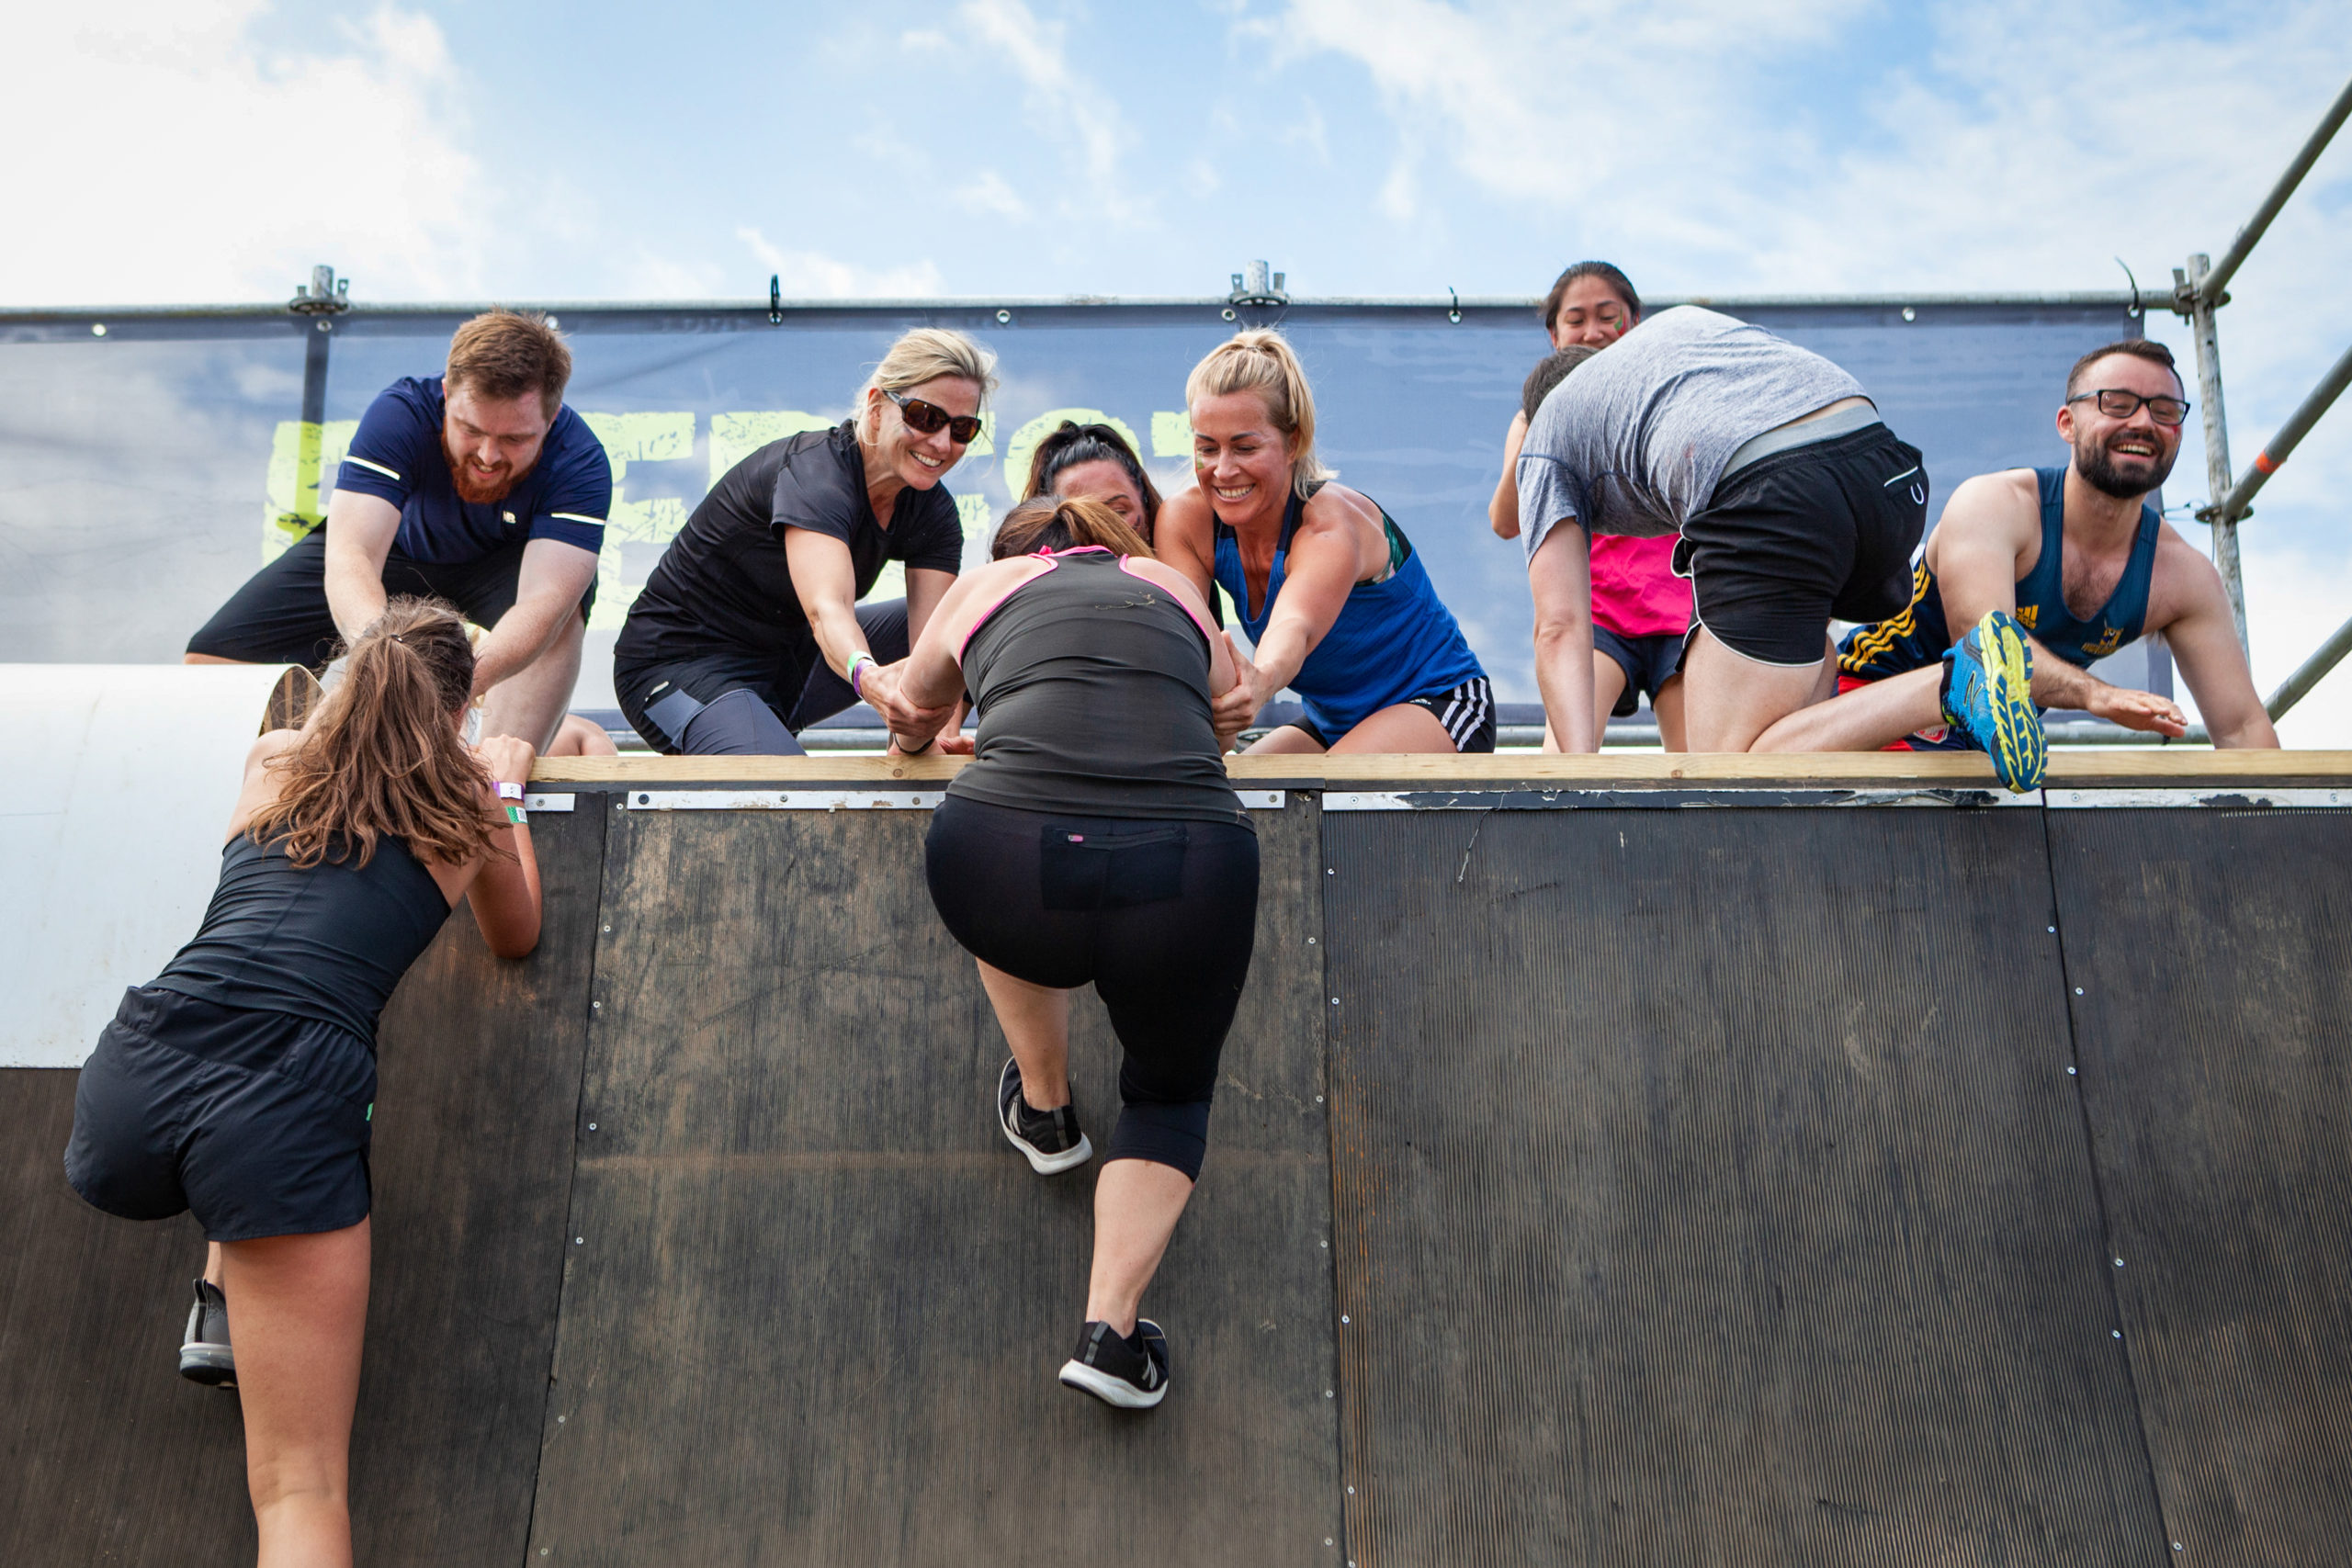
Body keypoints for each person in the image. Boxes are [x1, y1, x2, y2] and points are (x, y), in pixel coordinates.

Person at [66, 598, 543, 1565]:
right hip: (279, 1100)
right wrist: (507, 783)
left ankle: (220, 1295)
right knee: (299, 1486)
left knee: (242, 1089)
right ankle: (231, 1282)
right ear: (458, 710)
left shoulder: (272, 764)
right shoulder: (469, 803)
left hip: (135, 1073)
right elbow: (516, 933)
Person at [890, 496, 1257, 1409]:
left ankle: (1047, 1108)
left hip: (1003, 859)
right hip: (1185, 861)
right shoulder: (1170, 586)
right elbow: (1223, 714)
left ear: (1018, 559)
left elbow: (910, 714)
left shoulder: (983, 587)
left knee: (1021, 842)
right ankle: (1111, 1333)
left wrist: (960, 723)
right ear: (1117, 550)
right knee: (1169, 1091)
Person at [1754, 339, 2279, 779]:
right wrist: (2095, 696)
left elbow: (2241, 730)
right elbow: (1988, 656)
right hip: (1867, 711)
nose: (2143, 421)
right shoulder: (1996, 505)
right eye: (2118, 403)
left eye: (2164, 411)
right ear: (2067, 422)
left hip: (1978, 758)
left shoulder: (2183, 576)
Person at [187, 311, 608, 752]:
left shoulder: (581, 461)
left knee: (562, 610)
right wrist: (389, 667)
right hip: (394, 555)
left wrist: (450, 688)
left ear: (552, 416)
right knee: (212, 663)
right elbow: (353, 556)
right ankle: (320, 765)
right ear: (447, 396)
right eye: (471, 430)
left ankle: (494, 770)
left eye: (515, 440)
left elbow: (544, 602)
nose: (488, 455)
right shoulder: (400, 412)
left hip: (502, 566)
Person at [1517, 306, 1929, 752]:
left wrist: (1576, 776)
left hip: (1778, 492)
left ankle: (1949, 686)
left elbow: (1559, 627)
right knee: (1787, 721)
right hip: (1886, 474)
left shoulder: (1547, 435)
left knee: (1722, 769)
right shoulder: (1677, 336)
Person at [611, 328, 993, 754]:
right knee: (786, 789)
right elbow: (826, 610)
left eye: (962, 428)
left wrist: (925, 743)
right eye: (924, 416)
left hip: (787, 665)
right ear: (876, 407)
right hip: (679, 665)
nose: (941, 443)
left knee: (963, 623)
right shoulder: (817, 474)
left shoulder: (934, 511)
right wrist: (870, 679)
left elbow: (932, 655)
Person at [1158, 331, 1495, 753]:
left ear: (1293, 441)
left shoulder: (1330, 525)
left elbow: (1293, 627)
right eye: (1207, 448)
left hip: (1439, 701)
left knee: (1328, 799)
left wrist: (1258, 683)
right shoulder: (1186, 520)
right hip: (1333, 720)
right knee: (1237, 800)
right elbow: (1186, 642)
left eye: (1244, 448)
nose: (1223, 471)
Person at [1490, 264, 1690, 749]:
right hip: (1598, 616)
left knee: (1703, 766)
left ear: (1635, 323)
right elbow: (1505, 521)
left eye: (1609, 316)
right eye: (1576, 320)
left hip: (1679, 611)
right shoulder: (1531, 416)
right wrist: (1541, 422)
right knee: (1563, 760)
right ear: (1555, 336)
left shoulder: (1667, 398)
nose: (1594, 331)